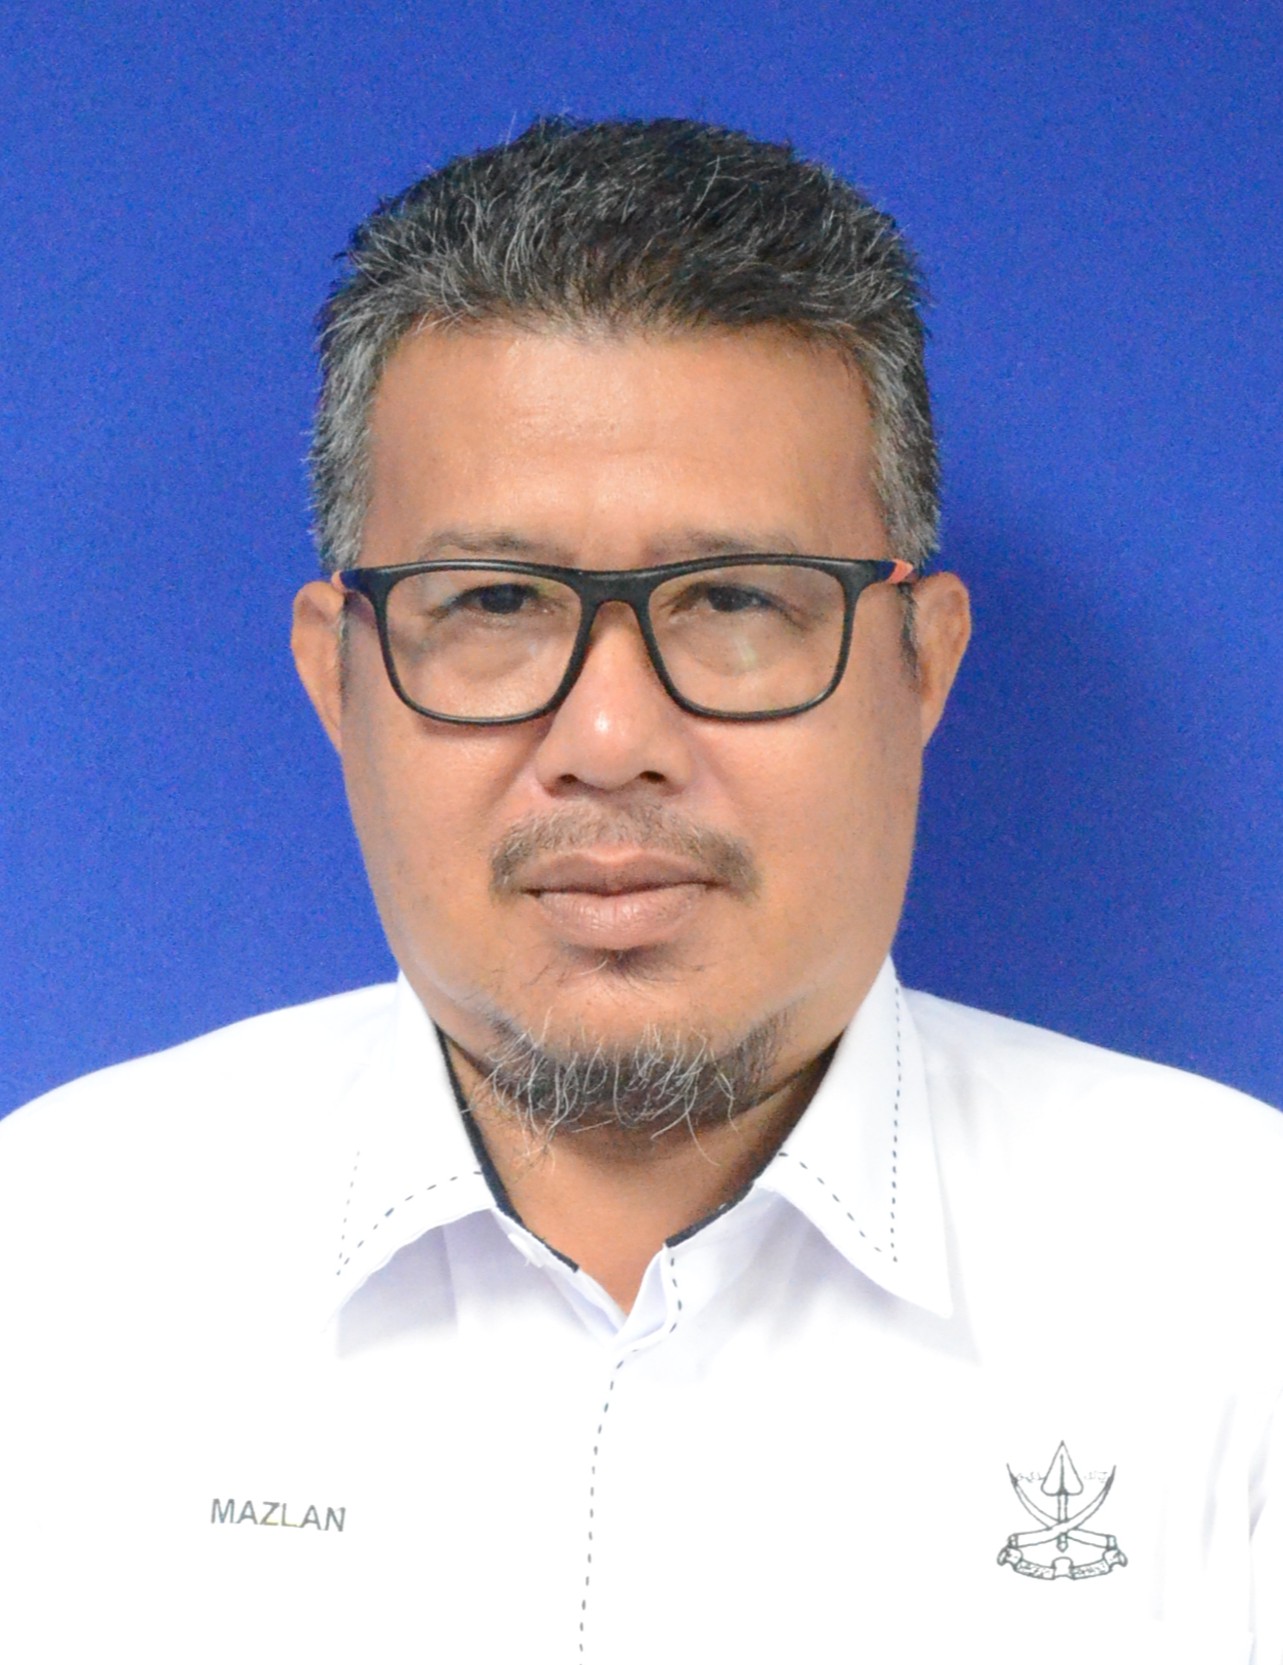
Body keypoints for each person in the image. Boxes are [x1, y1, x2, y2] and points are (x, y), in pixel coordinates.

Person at [1, 117, 1279, 1665]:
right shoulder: (53, 1267)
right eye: (495, 601)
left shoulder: (1238, 1287)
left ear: (922, 668)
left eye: (734, 598)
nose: (611, 740)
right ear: (339, 681)